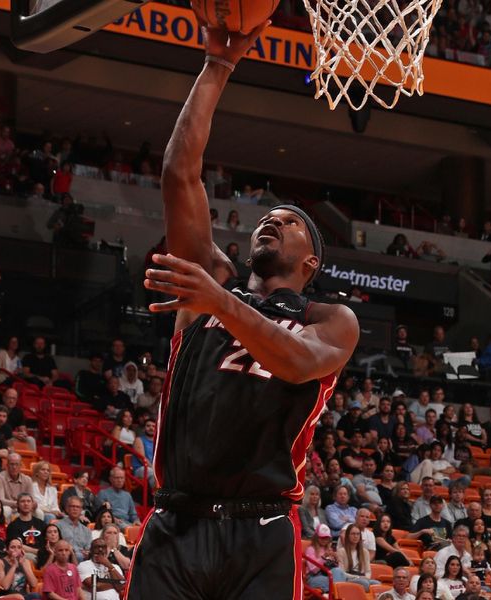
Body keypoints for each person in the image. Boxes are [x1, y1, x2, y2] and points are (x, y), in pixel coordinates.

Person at [127, 21, 359, 600]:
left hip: (261, 531)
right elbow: (180, 175)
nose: (273, 221)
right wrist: (217, 66)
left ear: (310, 263)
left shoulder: (329, 319)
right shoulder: (212, 283)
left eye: (291, 222)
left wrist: (221, 302)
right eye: (267, 218)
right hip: (176, 523)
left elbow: (298, 364)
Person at [305, 523, 348, 592]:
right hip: (313, 577)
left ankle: (336, 594)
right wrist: (324, 557)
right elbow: (313, 570)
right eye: (322, 537)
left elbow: (333, 568)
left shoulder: (328, 549)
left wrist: (336, 559)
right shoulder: (311, 549)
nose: (324, 539)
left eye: (327, 537)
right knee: (339, 579)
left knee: (340, 574)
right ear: (316, 537)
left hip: (327, 575)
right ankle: (338, 594)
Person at [5, 493, 46, 561]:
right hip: (25, 554)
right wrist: (38, 552)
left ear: (33, 504)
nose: (26, 504)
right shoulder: (13, 526)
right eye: (22, 501)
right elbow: (17, 546)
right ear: (18, 504)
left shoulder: (41, 523)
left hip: (42, 553)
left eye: (28, 501)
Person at [0, 453, 33, 518]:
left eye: (16, 464)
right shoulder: (0, 477)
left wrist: (31, 504)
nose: (14, 467)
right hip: (7, 507)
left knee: (38, 512)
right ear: (7, 465)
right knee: (6, 509)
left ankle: (33, 528)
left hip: (22, 508)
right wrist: (18, 504)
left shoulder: (27, 479)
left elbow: (32, 499)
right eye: (12, 464)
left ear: (20, 466)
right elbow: (0, 500)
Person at [55, 496, 93, 563]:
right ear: (67, 509)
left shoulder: (86, 530)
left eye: (78, 507)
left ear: (81, 510)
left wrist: (87, 553)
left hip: (82, 560)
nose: (75, 509)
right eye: (72, 506)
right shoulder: (58, 526)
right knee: (78, 556)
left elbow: (88, 549)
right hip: (64, 557)